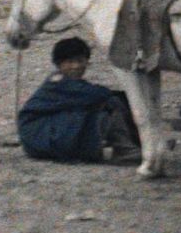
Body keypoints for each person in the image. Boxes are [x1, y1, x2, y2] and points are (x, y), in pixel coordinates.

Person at [16, 37, 141, 165]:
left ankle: (131, 143)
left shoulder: (68, 83)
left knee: (101, 105)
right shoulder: (59, 83)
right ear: (59, 64)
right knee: (107, 104)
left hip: (40, 137)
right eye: (70, 62)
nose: (76, 66)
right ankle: (124, 148)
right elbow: (99, 94)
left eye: (80, 61)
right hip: (39, 135)